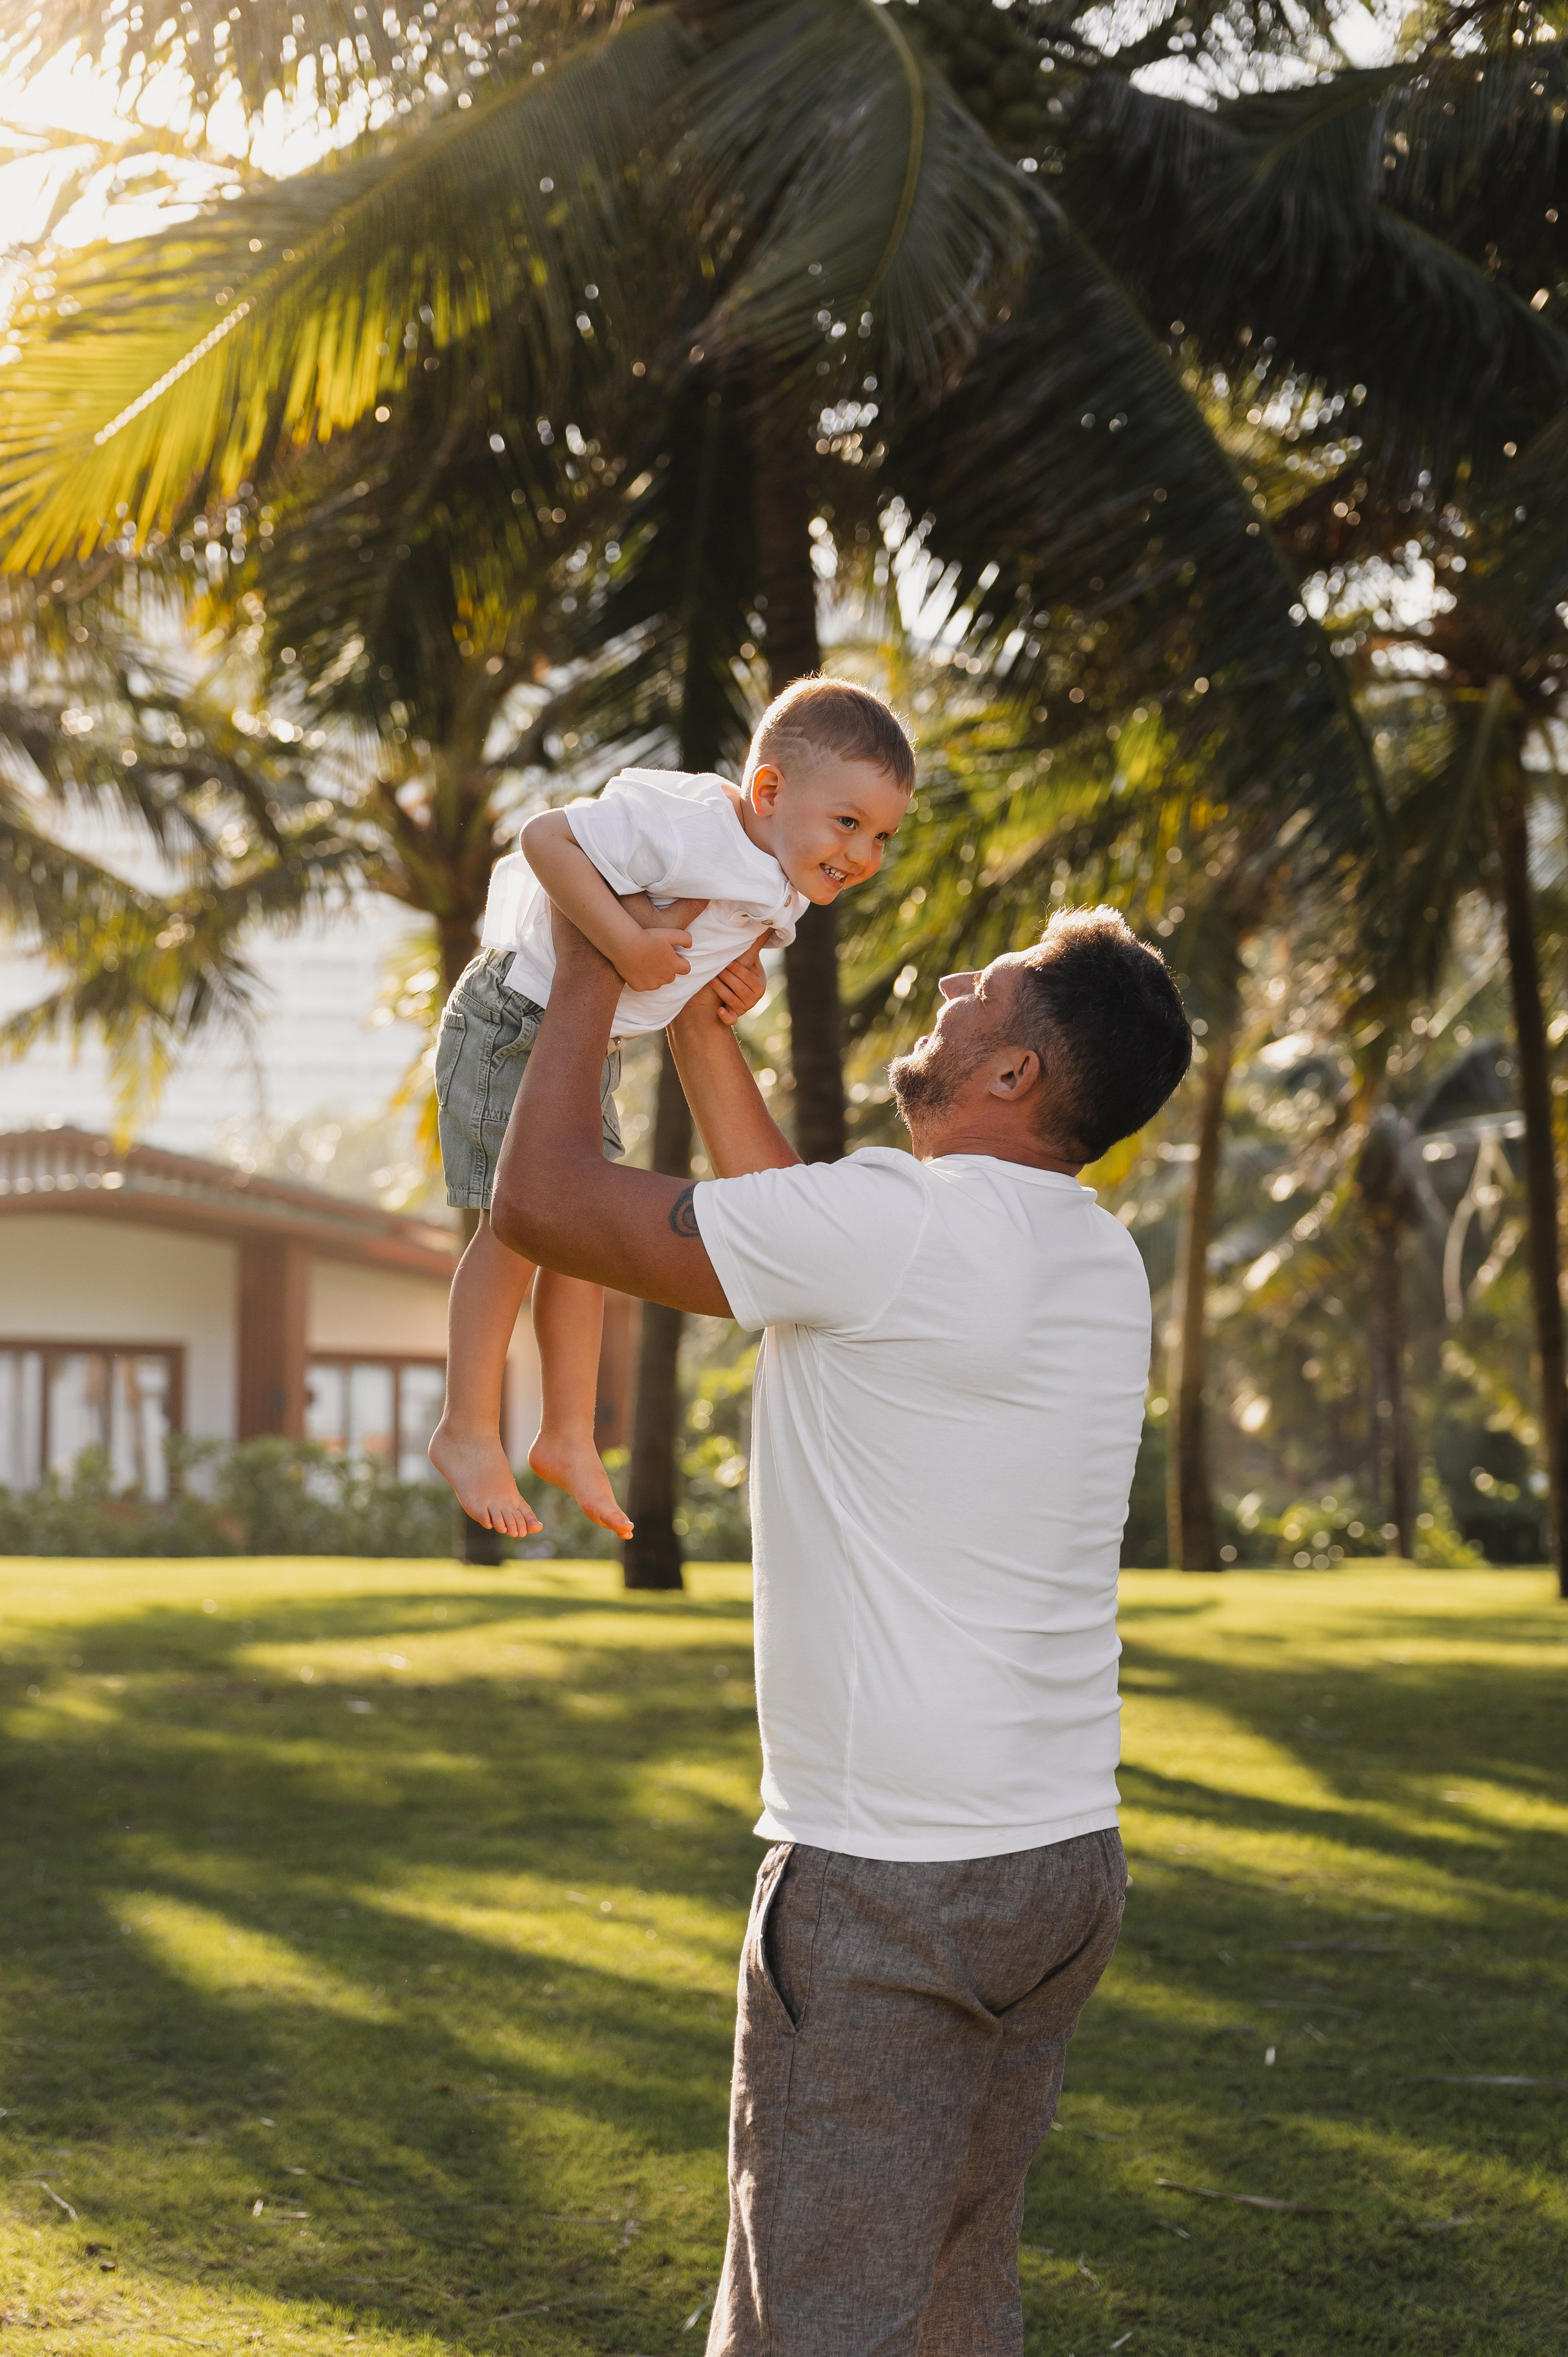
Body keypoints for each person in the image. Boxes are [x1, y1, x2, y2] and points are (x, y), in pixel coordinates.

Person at [489, 897, 1193, 2355]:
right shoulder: (1085, 1255)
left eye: (980, 989)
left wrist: (585, 968)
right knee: (949, 2293)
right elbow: (799, 1245)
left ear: (1013, 1078)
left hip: (894, 1886)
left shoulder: (897, 1229)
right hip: (1057, 1862)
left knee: (810, 2324)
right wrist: (687, 1015)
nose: (947, 981)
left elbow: (543, 1206)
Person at [427, 676, 916, 1541]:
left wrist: (743, 983)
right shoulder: (689, 825)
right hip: (515, 1014)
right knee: (513, 1229)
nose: (865, 853)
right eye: (849, 823)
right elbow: (547, 841)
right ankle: (467, 1427)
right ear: (768, 792)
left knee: (573, 1232)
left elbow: (727, 949)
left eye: (881, 836)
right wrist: (624, 945)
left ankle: (566, 1433)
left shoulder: (784, 878)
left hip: (586, 1043)